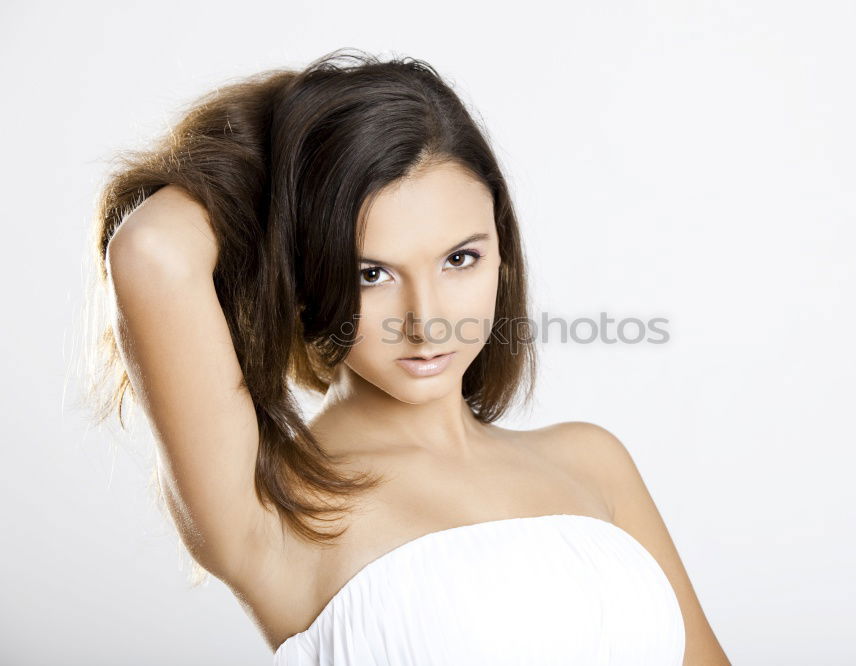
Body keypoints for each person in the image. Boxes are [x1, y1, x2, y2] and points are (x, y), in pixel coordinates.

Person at [88, 48, 729, 665]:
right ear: (308, 276)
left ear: (502, 252)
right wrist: (285, 135)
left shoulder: (593, 460)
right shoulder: (276, 506)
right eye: (369, 272)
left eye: (459, 258)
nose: (427, 321)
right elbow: (152, 249)